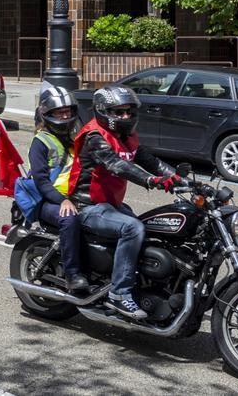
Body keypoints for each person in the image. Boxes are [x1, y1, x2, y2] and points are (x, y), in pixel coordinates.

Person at [64, 85, 179, 320]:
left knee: (153, 228)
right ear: (102, 111)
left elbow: (150, 161)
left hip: (111, 205)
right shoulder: (94, 136)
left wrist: (182, 179)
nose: (125, 117)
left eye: (128, 111)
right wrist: (151, 181)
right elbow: (117, 164)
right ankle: (119, 293)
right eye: (118, 112)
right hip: (89, 206)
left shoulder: (125, 137)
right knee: (132, 228)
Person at [27, 87, 85, 291]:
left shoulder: (73, 137)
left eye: (68, 111)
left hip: (74, 196)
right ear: (48, 114)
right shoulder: (40, 142)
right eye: (60, 112)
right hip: (48, 201)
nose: (66, 115)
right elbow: (41, 182)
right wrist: (63, 201)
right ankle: (72, 274)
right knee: (69, 218)